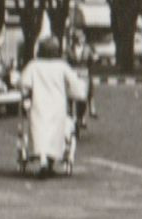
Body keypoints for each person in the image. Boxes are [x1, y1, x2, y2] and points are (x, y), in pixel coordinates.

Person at [19, 37, 89, 177]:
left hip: (39, 104)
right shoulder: (62, 66)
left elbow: (24, 83)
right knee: (55, 135)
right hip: (57, 105)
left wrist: (25, 93)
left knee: (40, 133)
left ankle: (43, 161)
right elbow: (76, 85)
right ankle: (50, 162)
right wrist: (79, 93)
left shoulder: (34, 66)